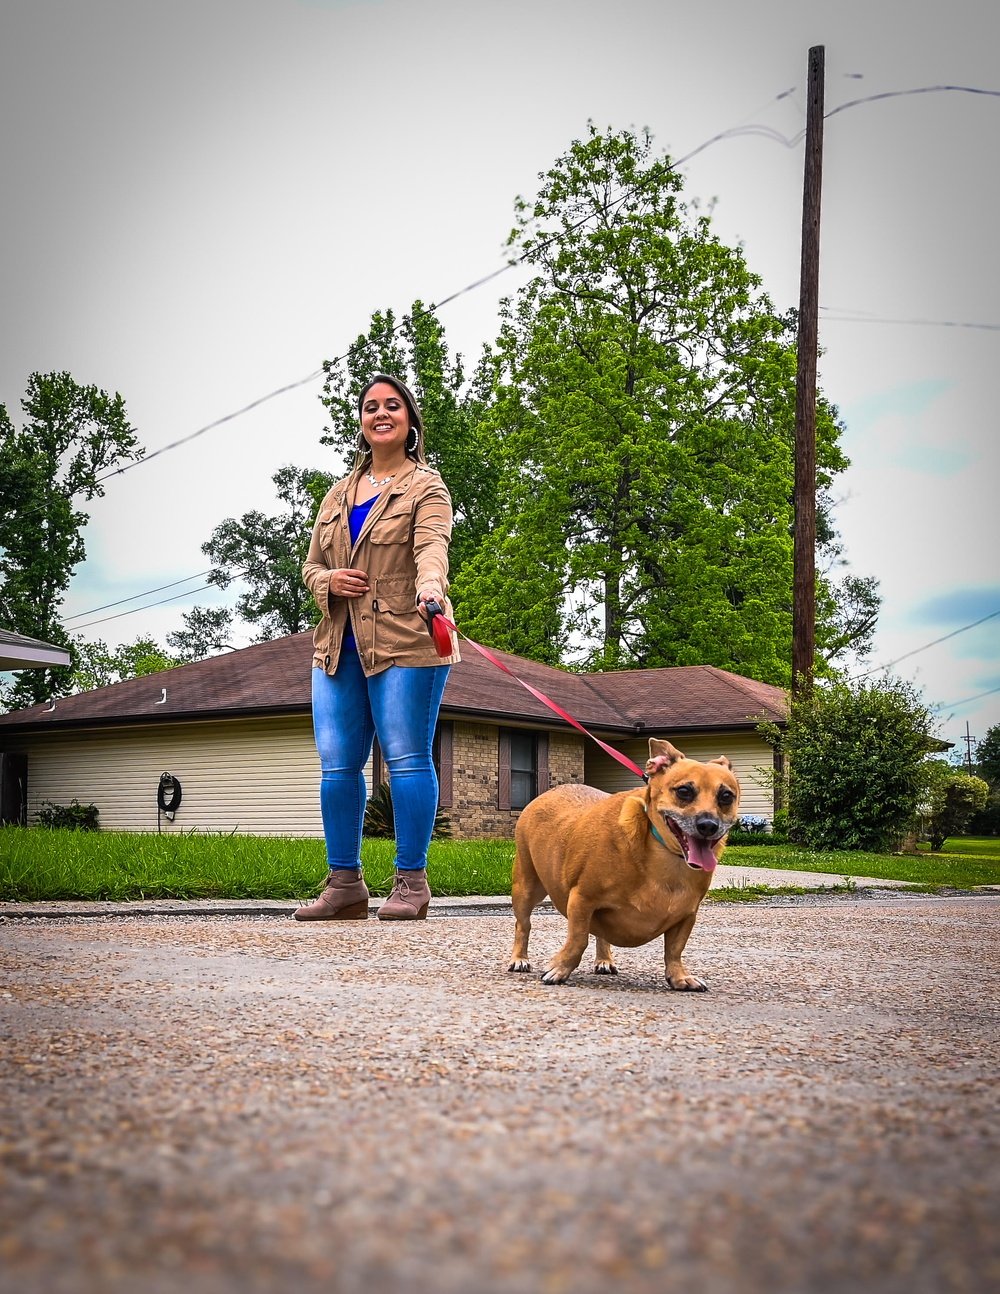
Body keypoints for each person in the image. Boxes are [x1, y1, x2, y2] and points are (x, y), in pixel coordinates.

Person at [295, 374, 459, 923]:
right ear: (361, 422)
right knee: (337, 764)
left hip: (407, 635)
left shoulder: (426, 487)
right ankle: (345, 884)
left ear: (410, 421)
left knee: (407, 757)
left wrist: (430, 587)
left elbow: (431, 546)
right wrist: (327, 582)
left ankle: (411, 882)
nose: (381, 414)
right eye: (370, 407)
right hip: (337, 642)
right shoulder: (338, 493)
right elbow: (311, 564)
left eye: (393, 406)